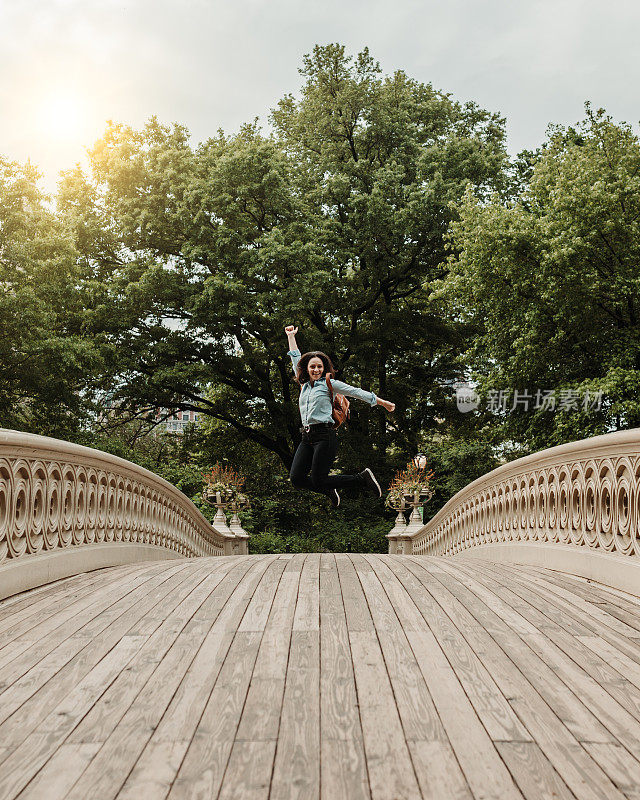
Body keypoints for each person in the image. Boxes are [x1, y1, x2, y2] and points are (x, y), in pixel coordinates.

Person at [285, 324, 396, 507]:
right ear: (307, 368)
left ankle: (362, 478)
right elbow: (296, 357)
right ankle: (329, 489)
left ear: (324, 368)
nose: (316, 370)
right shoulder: (303, 384)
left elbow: (356, 392)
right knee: (296, 478)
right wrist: (291, 336)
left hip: (324, 436)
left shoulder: (330, 384)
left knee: (318, 478)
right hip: (307, 436)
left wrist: (383, 403)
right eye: (312, 367)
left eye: (319, 367)